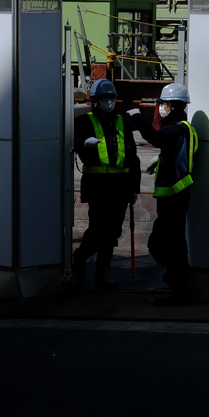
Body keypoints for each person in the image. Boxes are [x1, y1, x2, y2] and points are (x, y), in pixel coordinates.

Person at [73, 78, 142, 291]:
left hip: (120, 185)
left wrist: (135, 188)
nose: (109, 102)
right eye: (105, 99)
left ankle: (102, 278)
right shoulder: (84, 121)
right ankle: (80, 258)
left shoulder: (122, 122)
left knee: (112, 232)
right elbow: (72, 141)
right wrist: (83, 143)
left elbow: (133, 157)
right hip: (98, 184)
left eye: (111, 98)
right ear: (96, 101)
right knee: (97, 229)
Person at [139, 81, 198, 306]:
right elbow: (175, 150)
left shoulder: (178, 128)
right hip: (174, 196)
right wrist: (162, 158)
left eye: (164, 104)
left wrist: (137, 118)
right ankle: (177, 282)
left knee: (165, 245)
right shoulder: (183, 129)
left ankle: (178, 287)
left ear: (174, 106)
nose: (161, 108)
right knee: (171, 244)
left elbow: (157, 138)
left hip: (174, 196)